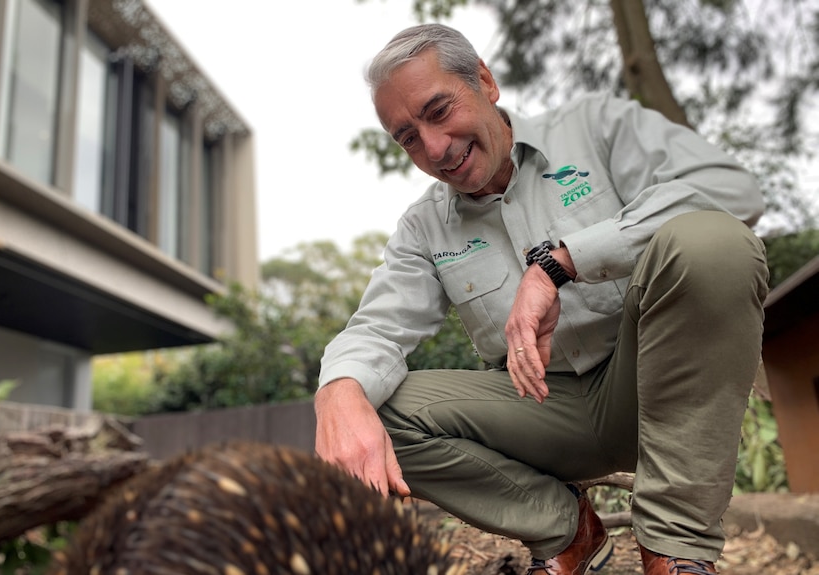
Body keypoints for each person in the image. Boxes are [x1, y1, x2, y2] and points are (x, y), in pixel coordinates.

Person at [314, 23, 768, 575]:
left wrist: (560, 263)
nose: (434, 148)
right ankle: (566, 531)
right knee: (370, 405)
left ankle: (676, 547)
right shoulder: (423, 229)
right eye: (408, 136)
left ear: (485, 80)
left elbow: (730, 189)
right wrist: (336, 391)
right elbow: (377, 329)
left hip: (654, 385)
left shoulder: (594, 126)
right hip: (542, 410)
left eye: (438, 111)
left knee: (713, 241)